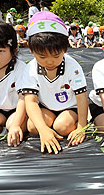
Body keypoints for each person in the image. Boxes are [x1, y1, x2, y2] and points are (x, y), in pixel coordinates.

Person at [21, 11, 88, 154]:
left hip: (69, 108)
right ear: (31, 50)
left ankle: (63, 124)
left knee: (63, 126)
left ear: (65, 49)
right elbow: (31, 101)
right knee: (33, 127)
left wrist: (82, 126)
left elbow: (81, 97)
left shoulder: (72, 66)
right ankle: (49, 128)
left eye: (56, 55)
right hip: (46, 107)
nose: (50, 62)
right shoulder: (30, 68)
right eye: (42, 56)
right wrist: (43, 129)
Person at [0, 21, 27, 147]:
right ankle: (0, 129)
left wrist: (15, 125)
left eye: (1, 50)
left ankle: (9, 127)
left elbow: (23, 99)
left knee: (13, 125)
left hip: (16, 111)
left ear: (14, 50)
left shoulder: (21, 68)